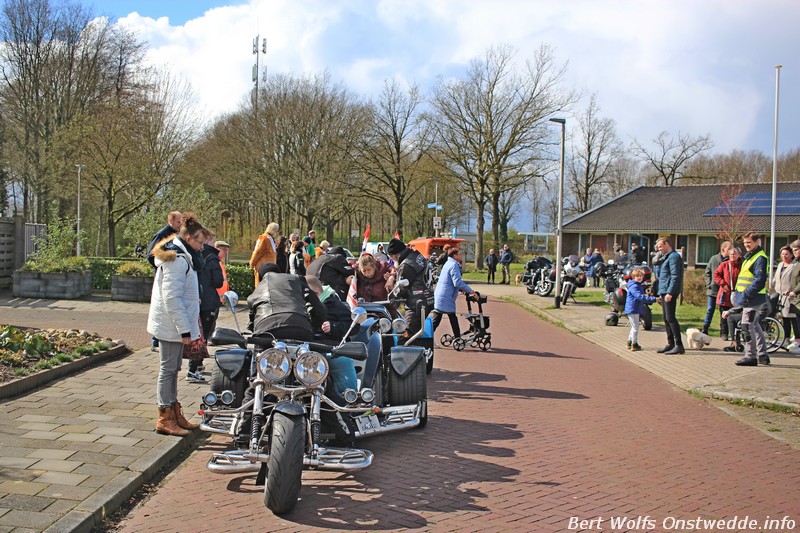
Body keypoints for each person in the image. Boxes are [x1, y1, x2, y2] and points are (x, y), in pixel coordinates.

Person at [147, 212, 207, 436]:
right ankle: (165, 417)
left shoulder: (182, 256)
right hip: (171, 324)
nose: (202, 247)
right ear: (189, 239)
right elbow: (172, 298)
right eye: (200, 242)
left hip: (173, 323)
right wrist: (184, 329)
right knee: (168, 369)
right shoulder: (177, 259)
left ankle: (173, 410)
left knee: (173, 369)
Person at [305, 276, 359, 399]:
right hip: (302, 350)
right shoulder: (298, 305)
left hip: (330, 349)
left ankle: (349, 399)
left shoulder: (335, 305)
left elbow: (354, 326)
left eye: (306, 295)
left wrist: (333, 327)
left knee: (343, 362)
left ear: (316, 294)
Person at [187, 232, 224, 383]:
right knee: (203, 336)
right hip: (208, 301)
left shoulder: (193, 255)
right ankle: (193, 369)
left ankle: (197, 365)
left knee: (197, 334)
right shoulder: (211, 258)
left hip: (196, 299)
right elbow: (218, 281)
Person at [734, 231, 769, 366]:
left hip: (752, 298)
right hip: (750, 297)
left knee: (747, 326)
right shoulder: (750, 256)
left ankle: (750, 356)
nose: (746, 245)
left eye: (749, 242)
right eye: (745, 243)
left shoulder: (759, 258)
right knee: (755, 325)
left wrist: (746, 294)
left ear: (757, 242)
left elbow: (759, 280)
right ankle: (762, 355)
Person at [386, 238, 433, 336]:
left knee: (405, 334)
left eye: (391, 256)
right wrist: (393, 277)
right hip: (427, 299)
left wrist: (390, 299)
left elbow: (400, 289)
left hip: (416, 304)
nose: (392, 259)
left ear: (396, 254)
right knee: (416, 332)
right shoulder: (417, 256)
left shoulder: (406, 264)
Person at [431, 247, 474, 340]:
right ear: (455, 256)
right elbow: (457, 282)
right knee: (452, 317)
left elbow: (450, 281)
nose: (461, 256)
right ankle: (458, 339)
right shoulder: (454, 265)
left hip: (441, 294)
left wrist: (461, 289)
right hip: (446, 296)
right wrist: (470, 290)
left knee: (437, 319)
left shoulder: (448, 263)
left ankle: (425, 336)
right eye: (460, 254)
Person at [655, 237, 685, 355]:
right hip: (664, 291)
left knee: (670, 317)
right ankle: (670, 343)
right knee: (666, 318)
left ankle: (679, 345)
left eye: (660, 246)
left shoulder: (673, 257)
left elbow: (675, 276)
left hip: (669, 291)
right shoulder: (666, 257)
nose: (659, 249)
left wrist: (670, 292)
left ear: (667, 244)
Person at [702, 241, 732, 335]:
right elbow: (707, 272)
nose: (731, 251)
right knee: (710, 309)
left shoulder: (731, 260)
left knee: (723, 310)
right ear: (723, 249)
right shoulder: (714, 259)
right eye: (729, 249)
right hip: (713, 289)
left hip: (725, 290)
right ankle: (705, 327)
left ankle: (723, 330)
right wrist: (709, 284)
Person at [772, 245, 798, 352]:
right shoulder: (780, 265)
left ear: (791, 255)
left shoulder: (795, 265)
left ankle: (797, 340)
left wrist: (793, 291)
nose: (784, 256)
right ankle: (786, 339)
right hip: (780, 295)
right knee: (784, 318)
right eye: (782, 254)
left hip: (790, 295)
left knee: (793, 318)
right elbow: (776, 278)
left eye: (786, 254)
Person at [714, 246, 742, 342]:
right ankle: (724, 333)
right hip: (725, 293)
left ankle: (735, 334)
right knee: (724, 314)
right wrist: (723, 284)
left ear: (739, 255)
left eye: (734, 254)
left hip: (737, 293)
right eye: (731, 254)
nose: (732, 256)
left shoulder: (742, 265)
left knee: (736, 314)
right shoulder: (724, 265)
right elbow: (716, 275)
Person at [624, 267, 656, 352]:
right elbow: (639, 297)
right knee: (635, 328)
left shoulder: (637, 285)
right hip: (633, 309)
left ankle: (629, 342)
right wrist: (654, 299)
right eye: (637, 276)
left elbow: (640, 296)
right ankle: (634, 344)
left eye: (641, 276)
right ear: (633, 277)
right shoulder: (634, 286)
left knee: (633, 326)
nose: (639, 277)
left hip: (634, 308)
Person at [249, 222, 279, 286]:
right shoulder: (265, 239)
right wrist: (252, 263)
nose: (277, 233)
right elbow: (258, 252)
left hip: (269, 268)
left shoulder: (270, 239)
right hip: (263, 268)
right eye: (276, 230)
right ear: (272, 230)